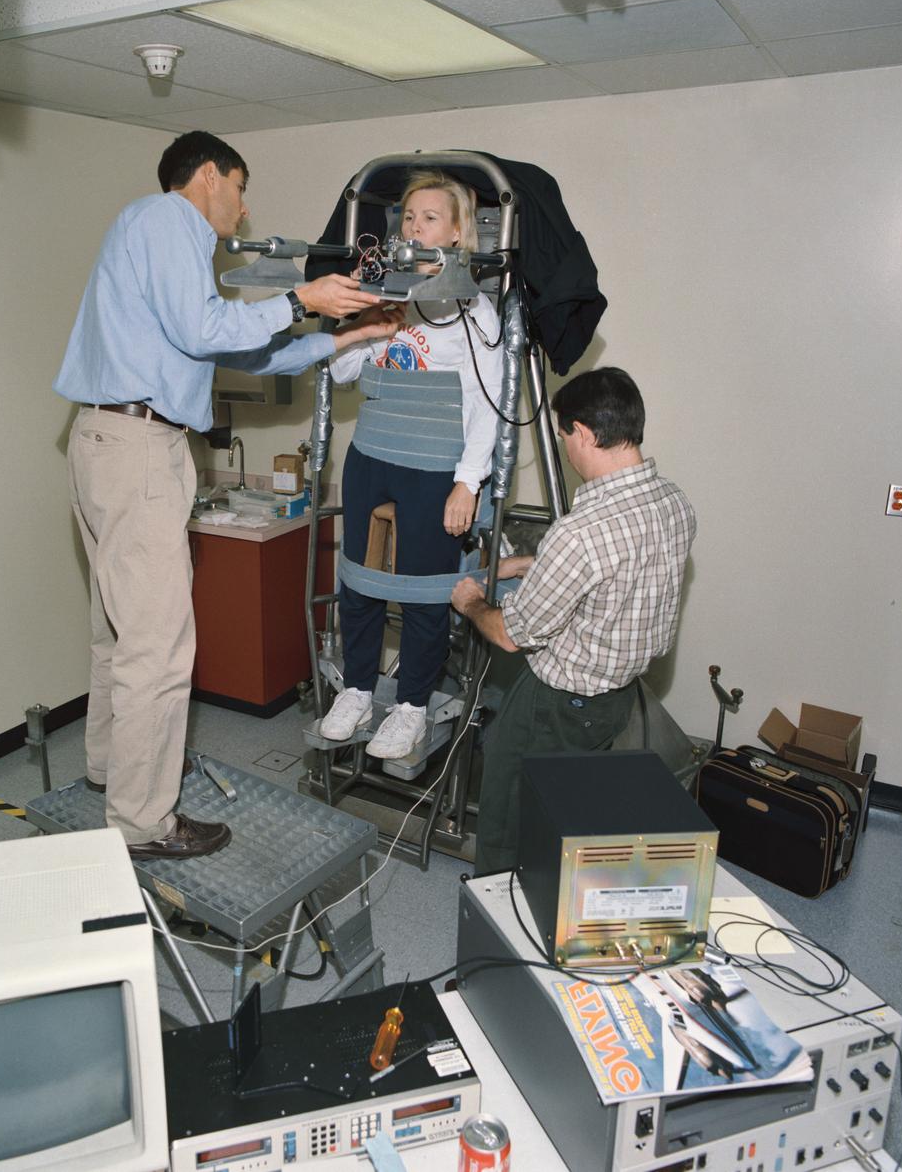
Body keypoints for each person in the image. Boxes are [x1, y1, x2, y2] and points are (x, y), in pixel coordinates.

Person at [54, 131, 396, 860]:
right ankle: (143, 821)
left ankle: (110, 769)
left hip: (105, 442)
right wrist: (301, 295)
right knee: (160, 648)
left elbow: (236, 349)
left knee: (119, 634)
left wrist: (340, 337)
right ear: (208, 174)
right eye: (240, 189)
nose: (241, 212)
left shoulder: (150, 237)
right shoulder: (165, 219)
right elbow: (204, 328)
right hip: (138, 448)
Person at [450, 367, 696, 876]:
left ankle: (500, 911)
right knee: (568, 808)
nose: (567, 451)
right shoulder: (674, 504)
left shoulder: (580, 532)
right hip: (618, 699)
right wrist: (528, 564)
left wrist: (471, 600)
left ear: (582, 432)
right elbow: (618, 576)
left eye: (565, 438)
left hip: (556, 705)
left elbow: (510, 635)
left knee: (508, 813)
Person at [319, 170, 504, 760]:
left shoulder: (475, 314)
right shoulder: (389, 294)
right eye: (408, 217)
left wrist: (467, 485)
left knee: (426, 591)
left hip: (434, 463)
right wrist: (368, 326)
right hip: (373, 452)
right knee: (360, 580)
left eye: (429, 218)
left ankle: (412, 707)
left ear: (455, 233)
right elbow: (344, 376)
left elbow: (487, 410)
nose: (414, 227)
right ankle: (355, 688)